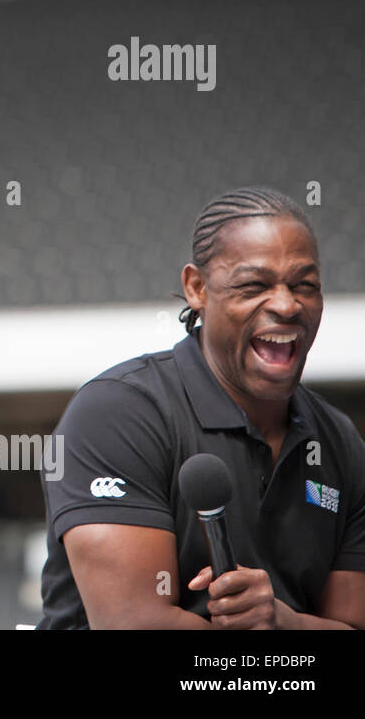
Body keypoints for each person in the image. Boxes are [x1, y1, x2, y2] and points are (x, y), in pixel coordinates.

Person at [39, 187, 365, 629]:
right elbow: (132, 624)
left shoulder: (340, 441)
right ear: (197, 288)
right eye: (255, 285)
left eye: (304, 285)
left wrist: (284, 623)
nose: (287, 305)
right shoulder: (118, 414)